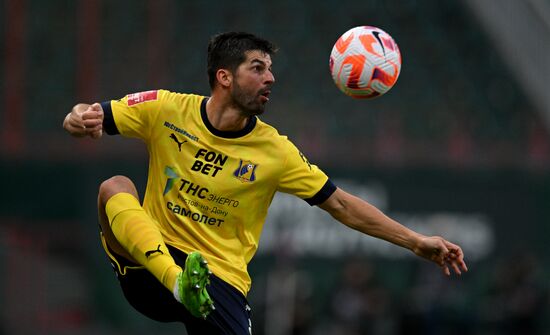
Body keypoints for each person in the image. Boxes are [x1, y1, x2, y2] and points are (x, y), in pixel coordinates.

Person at [63, 31, 467, 334]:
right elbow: (87, 112)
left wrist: (417, 242)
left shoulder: (276, 151)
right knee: (114, 186)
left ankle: (188, 286)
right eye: (258, 68)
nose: (270, 78)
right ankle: (177, 282)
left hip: (218, 280)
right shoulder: (166, 108)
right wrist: (79, 117)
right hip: (152, 266)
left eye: (270, 69)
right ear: (224, 76)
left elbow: (342, 205)